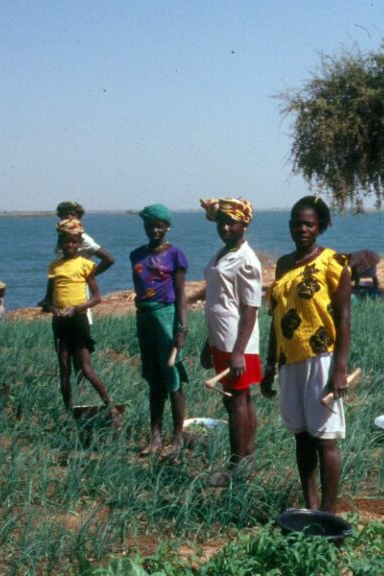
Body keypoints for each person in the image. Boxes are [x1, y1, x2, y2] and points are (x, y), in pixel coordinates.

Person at [261, 196, 351, 514]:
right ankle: (309, 505)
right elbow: (275, 317)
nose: (302, 228)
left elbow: (343, 318)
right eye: (296, 223)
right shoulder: (284, 265)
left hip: (321, 358)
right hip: (290, 361)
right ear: (289, 226)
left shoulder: (333, 262)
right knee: (302, 436)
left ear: (319, 227)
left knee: (325, 439)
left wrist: (339, 368)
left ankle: (327, 514)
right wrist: (270, 363)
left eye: (308, 224)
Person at [200, 197, 262, 485]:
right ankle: (247, 458)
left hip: (237, 342)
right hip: (222, 339)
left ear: (244, 225)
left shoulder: (246, 260)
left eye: (232, 222)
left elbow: (250, 308)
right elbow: (218, 300)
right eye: (222, 222)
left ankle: (238, 465)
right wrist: (207, 342)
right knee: (238, 400)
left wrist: (238, 351)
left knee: (237, 400)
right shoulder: (223, 253)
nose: (225, 227)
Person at [42, 218, 121, 427]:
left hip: (78, 320)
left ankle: (110, 407)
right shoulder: (54, 267)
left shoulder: (86, 265)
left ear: (79, 243)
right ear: (60, 243)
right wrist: (52, 309)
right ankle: (67, 412)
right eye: (65, 242)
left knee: (85, 368)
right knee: (64, 368)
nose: (69, 245)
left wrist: (76, 308)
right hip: (60, 323)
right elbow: (47, 299)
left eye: (73, 242)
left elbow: (96, 297)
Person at [130, 204, 189, 457]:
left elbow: (181, 294)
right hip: (144, 318)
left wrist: (182, 327)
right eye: (150, 225)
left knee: (172, 378)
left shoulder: (175, 255)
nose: (154, 230)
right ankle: (155, 436)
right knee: (154, 380)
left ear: (167, 227)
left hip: (166, 317)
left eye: (159, 226)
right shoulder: (136, 255)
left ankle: (177, 439)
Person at [54, 201, 115, 277]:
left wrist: (88, 277)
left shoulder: (83, 239)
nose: (69, 217)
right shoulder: (63, 236)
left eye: (73, 214)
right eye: (65, 214)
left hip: (78, 286)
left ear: (79, 218)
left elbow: (109, 259)